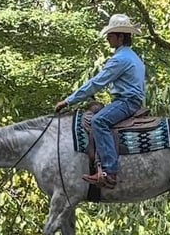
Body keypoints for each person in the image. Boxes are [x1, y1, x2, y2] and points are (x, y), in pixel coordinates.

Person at [55, 14, 145, 189]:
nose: (107, 38)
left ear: (120, 37)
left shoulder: (120, 59)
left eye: (110, 35)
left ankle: (109, 172)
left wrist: (68, 101)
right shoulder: (132, 56)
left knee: (99, 121)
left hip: (126, 102)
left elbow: (97, 82)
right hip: (130, 100)